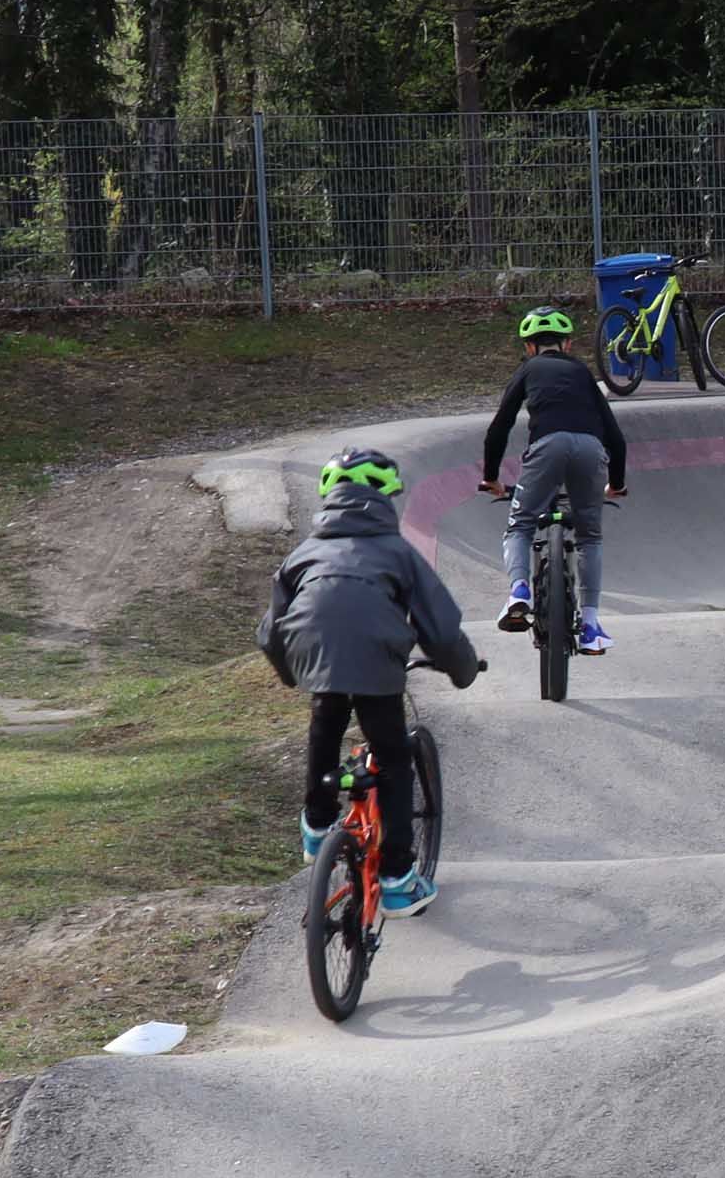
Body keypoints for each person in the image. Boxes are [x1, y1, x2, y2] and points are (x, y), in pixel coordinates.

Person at [259, 445, 480, 916]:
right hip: (378, 662)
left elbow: (271, 633)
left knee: (326, 718)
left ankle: (317, 828)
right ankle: (398, 879)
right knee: (394, 760)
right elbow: (440, 631)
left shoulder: (303, 553)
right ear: (384, 499)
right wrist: (462, 672)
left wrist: (289, 673)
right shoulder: (398, 552)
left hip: (314, 654)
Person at [481, 304, 632, 654]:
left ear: (529, 346)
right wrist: (617, 483)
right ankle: (591, 625)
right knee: (590, 536)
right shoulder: (582, 373)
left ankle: (519, 591)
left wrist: (491, 477)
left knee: (520, 525)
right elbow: (615, 435)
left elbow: (499, 427)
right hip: (592, 450)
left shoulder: (528, 368)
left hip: (547, 447)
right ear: (566, 345)